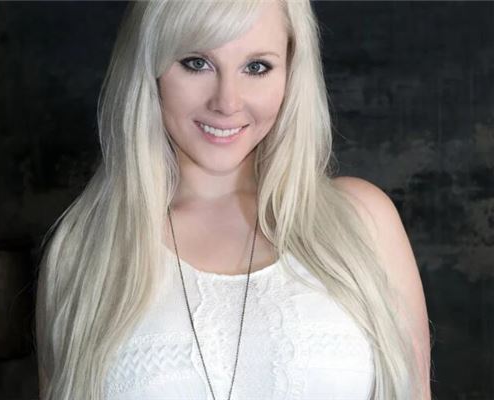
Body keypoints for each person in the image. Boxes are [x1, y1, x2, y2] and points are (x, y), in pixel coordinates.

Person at [36, 0, 432, 399]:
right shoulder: (85, 250)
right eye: (196, 63)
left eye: (256, 67)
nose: (227, 102)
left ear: (291, 72)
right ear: (148, 67)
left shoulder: (363, 220)